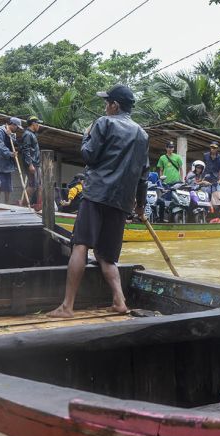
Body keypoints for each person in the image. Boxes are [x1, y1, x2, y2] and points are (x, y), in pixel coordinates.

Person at [48, 84, 148, 318]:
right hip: (122, 201)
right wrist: (140, 205)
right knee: (107, 255)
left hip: (96, 194)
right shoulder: (142, 134)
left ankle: (67, 307)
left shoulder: (104, 123)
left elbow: (89, 155)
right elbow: (143, 175)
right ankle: (120, 301)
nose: (105, 107)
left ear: (114, 105)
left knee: (80, 245)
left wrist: (86, 137)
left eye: (107, 103)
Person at [0, 117, 23, 204]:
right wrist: (10, 153)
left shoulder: (12, 134)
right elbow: (1, 145)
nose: (17, 129)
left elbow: (16, 144)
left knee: (8, 185)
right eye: (17, 127)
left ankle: (6, 204)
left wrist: (10, 136)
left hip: (8, 163)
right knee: (0, 184)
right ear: (13, 125)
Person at [22, 116, 42, 205]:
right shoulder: (27, 134)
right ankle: (23, 205)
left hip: (37, 163)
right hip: (32, 164)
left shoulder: (33, 134)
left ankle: (39, 204)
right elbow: (26, 150)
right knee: (32, 186)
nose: (39, 126)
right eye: (38, 123)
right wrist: (30, 164)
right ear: (33, 124)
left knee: (40, 185)